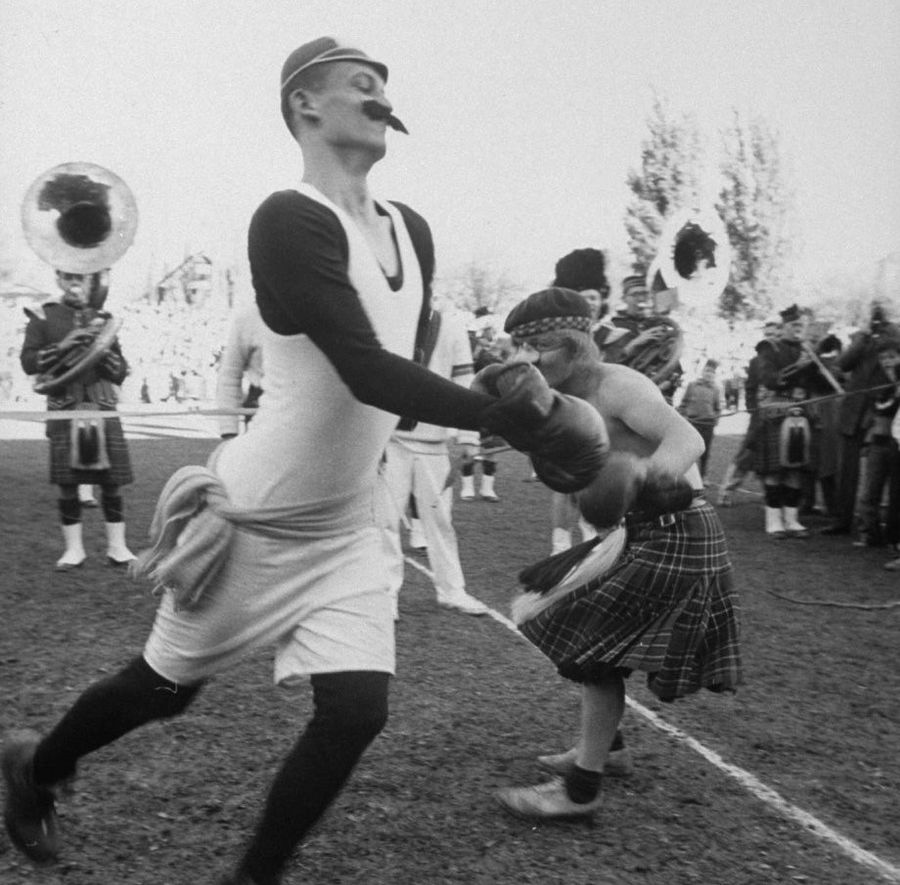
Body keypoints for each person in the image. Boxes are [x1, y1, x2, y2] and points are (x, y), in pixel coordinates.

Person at [2, 38, 608, 885]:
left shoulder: (413, 230)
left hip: (350, 518)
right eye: (360, 82)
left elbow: (395, 382)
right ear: (304, 106)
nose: (380, 91)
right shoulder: (286, 218)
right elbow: (361, 363)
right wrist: (503, 421)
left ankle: (254, 876)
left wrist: (519, 409)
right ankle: (35, 762)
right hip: (260, 513)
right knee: (164, 689)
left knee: (357, 708)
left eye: (385, 84)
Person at [490, 287, 740, 820]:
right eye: (520, 347)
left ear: (576, 343)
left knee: (593, 654)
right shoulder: (564, 397)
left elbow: (688, 437)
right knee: (583, 639)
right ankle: (612, 750)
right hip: (638, 532)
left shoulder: (617, 385)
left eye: (539, 346)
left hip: (676, 529)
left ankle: (582, 790)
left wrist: (642, 473)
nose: (527, 359)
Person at [19, 269, 136, 570]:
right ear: (58, 279)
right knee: (67, 483)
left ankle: (118, 547)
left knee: (112, 482)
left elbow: (120, 371)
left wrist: (101, 349)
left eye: (81, 278)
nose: (75, 284)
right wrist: (67, 344)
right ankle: (74, 550)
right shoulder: (42, 316)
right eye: (69, 277)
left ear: (88, 282)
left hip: (101, 402)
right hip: (65, 403)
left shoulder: (104, 318)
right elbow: (28, 362)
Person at [382, 308, 488, 617]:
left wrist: (469, 438)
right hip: (389, 439)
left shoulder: (451, 325)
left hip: (434, 442)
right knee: (384, 521)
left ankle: (452, 590)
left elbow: (466, 382)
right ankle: (385, 595)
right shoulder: (385, 316)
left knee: (440, 520)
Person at [544, 248, 610, 554]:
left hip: (605, 421)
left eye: (595, 297)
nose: (591, 304)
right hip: (567, 416)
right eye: (584, 297)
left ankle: (591, 539)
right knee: (564, 485)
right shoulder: (560, 336)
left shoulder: (614, 334)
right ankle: (560, 546)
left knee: (596, 484)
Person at [822, 304, 899, 536]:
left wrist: (883, 333)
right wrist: (863, 336)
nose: (876, 316)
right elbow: (842, 364)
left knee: (878, 473)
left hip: (879, 413)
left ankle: (873, 524)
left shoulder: (895, 334)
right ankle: (842, 520)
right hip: (852, 413)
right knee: (846, 472)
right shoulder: (862, 337)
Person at [754, 304, 823, 539]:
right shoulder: (769, 348)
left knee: (796, 469)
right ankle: (774, 521)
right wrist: (798, 368)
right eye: (794, 325)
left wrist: (818, 366)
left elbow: (819, 384)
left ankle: (792, 520)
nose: (798, 330)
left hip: (801, 414)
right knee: (775, 469)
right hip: (777, 413)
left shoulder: (807, 350)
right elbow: (769, 379)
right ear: (783, 326)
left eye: (801, 326)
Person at [717, 317, 781, 506]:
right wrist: (754, 409)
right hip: (760, 416)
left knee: (775, 458)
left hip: (780, 416)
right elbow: (751, 387)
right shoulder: (756, 361)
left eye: (776, 334)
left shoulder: (784, 357)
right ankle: (726, 491)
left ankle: (772, 496)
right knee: (746, 454)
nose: (772, 338)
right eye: (768, 335)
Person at [854, 335, 900, 549]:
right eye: (883, 358)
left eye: (892, 357)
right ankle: (870, 533)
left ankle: (894, 539)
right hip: (878, 443)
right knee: (869, 492)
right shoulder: (878, 384)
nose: (887, 361)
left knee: (895, 495)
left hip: (895, 445)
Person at [216, 300, 266, 439]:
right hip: (261, 405)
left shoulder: (318, 310)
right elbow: (229, 375)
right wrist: (229, 431)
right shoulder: (249, 318)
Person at [677, 358, 722, 481]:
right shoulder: (692, 386)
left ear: (714, 375)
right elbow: (683, 404)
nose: (709, 374)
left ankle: (703, 477)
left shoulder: (716, 389)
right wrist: (683, 415)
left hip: (708, 425)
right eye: (707, 371)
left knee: (705, 453)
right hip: (692, 424)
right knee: (689, 451)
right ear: (702, 372)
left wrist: (715, 419)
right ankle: (685, 475)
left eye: (712, 372)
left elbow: (718, 408)